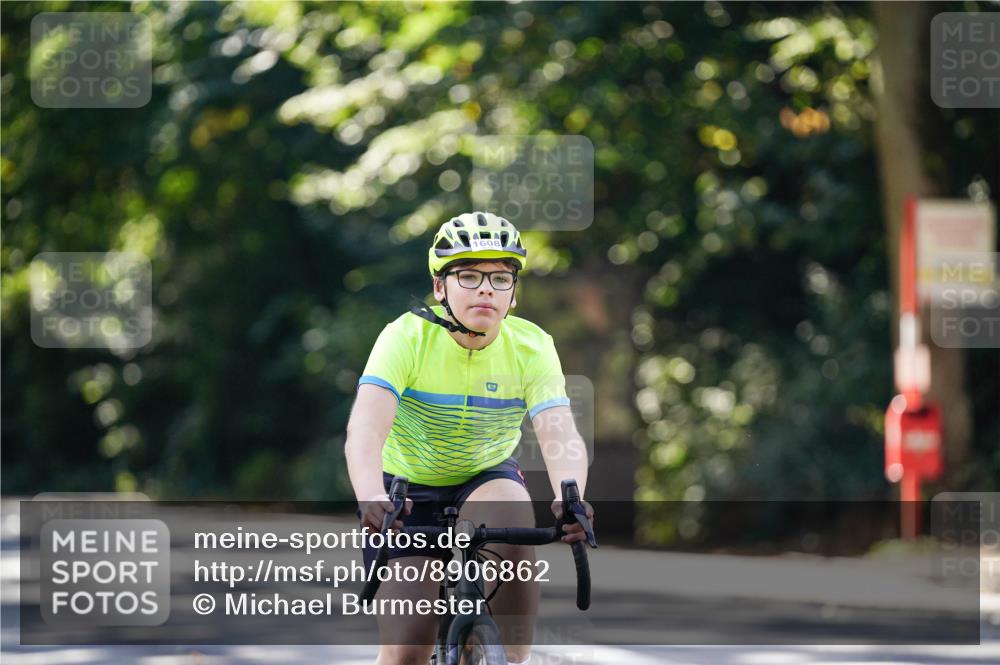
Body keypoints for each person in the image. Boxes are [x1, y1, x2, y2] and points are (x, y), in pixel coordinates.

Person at [345, 211, 594, 665]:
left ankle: (506, 656)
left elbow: (559, 431)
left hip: (485, 475)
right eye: (469, 275)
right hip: (407, 487)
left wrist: (569, 495)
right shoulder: (404, 337)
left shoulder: (532, 346)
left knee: (515, 518)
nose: (486, 288)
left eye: (501, 278)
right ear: (440, 288)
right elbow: (366, 426)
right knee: (406, 650)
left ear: (514, 293)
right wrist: (369, 493)